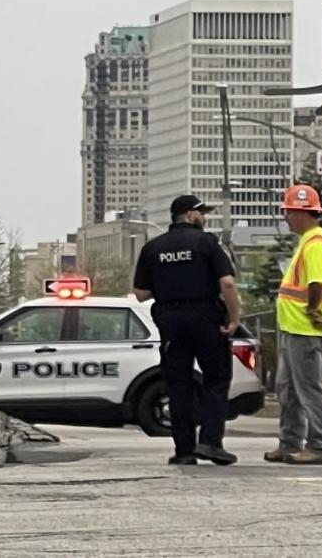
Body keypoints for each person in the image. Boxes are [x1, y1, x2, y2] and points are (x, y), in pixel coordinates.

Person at [133, 195, 241, 466]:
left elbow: (141, 293)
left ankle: (184, 451)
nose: (204, 218)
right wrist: (235, 318)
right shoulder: (207, 243)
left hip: (171, 322)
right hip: (206, 318)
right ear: (191, 215)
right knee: (216, 379)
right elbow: (227, 283)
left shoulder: (153, 248)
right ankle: (211, 442)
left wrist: (167, 283)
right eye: (201, 213)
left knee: (178, 385)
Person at [265, 184, 322, 466]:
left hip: (306, 329)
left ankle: (319, 445)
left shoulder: (316, 244)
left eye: (289, 212)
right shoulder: (309, 241)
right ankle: (289, 443)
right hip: (296, 328)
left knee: (308, 389)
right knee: (287, 388)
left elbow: (316, 285)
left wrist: (312, 310)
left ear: (302, 213)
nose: (286, 217)